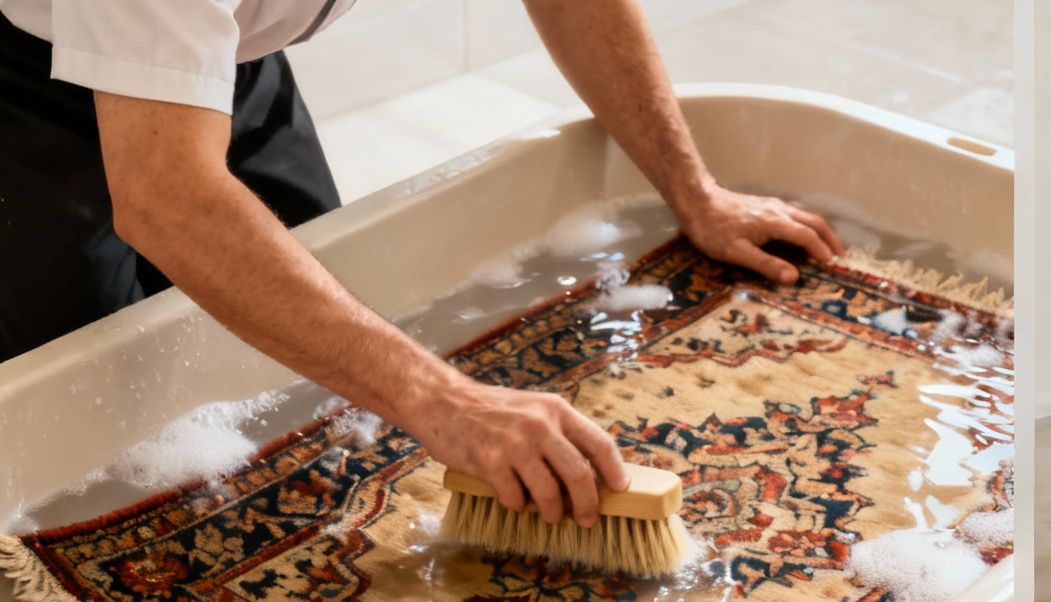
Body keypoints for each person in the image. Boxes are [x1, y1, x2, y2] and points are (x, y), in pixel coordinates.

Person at [0, 0, 843, 529]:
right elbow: (166, 200)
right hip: (22, 90)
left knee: (303, 371)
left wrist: (692, 188)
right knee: (64, 436)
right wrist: (444, 398)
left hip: (225, 57)